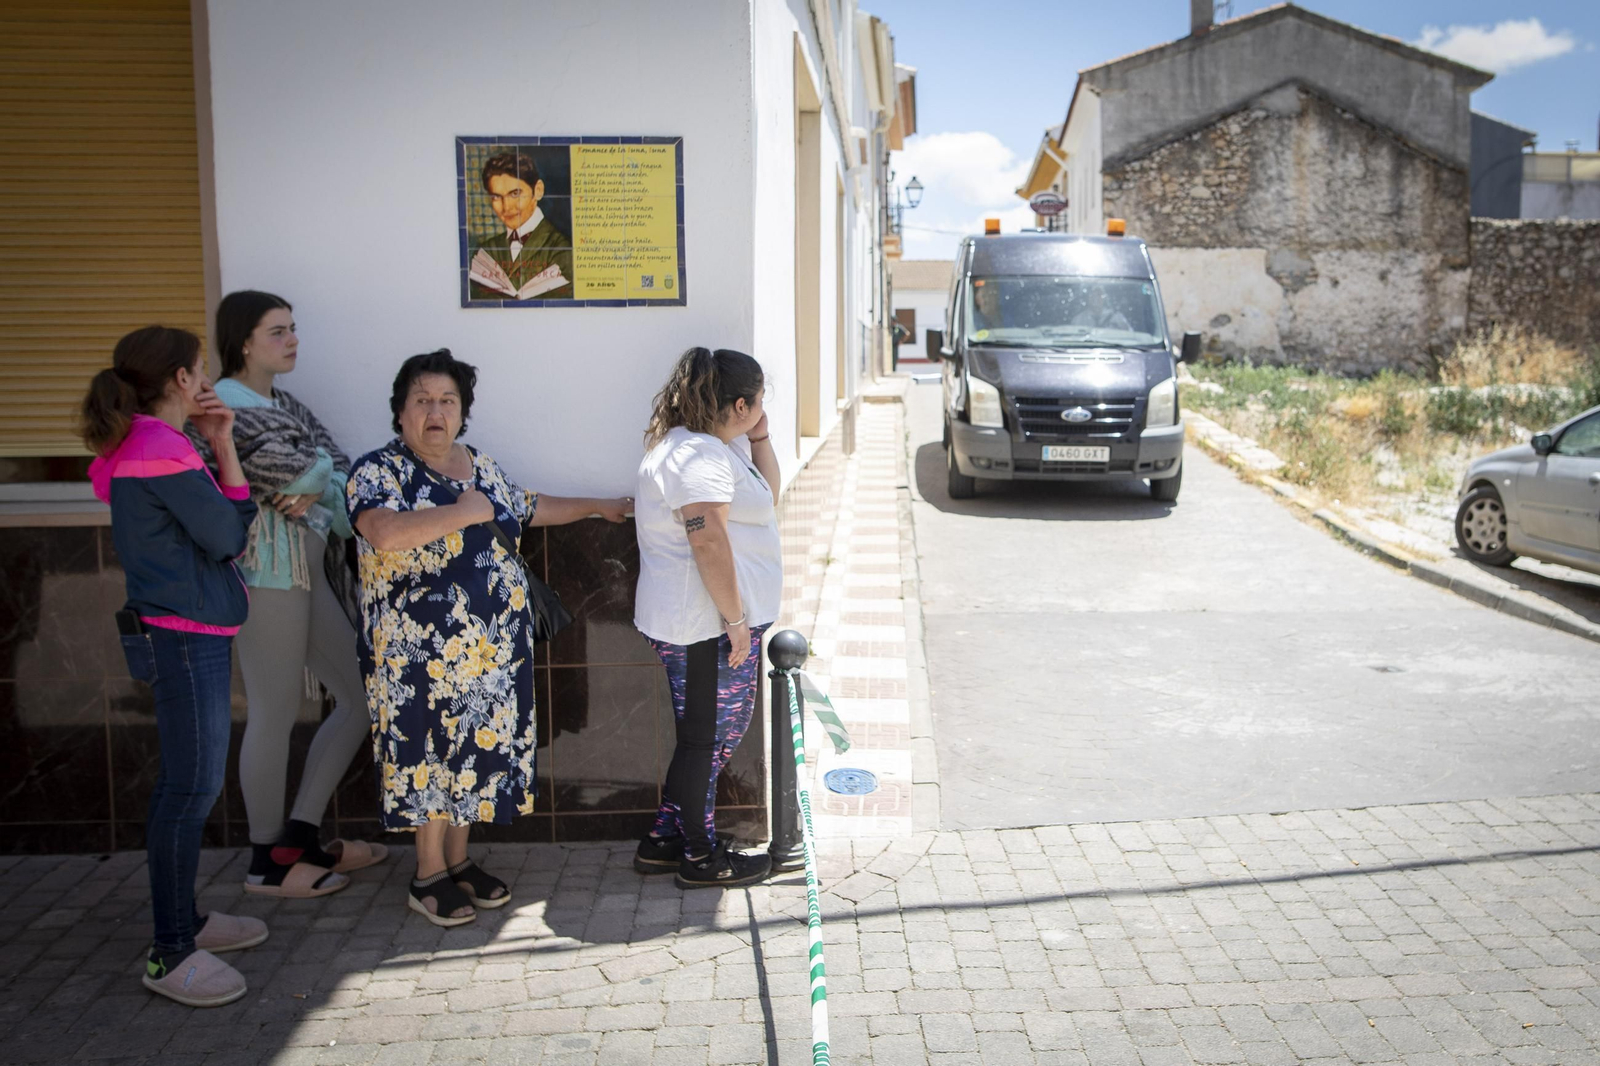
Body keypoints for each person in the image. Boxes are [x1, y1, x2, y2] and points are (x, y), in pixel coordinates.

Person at [346, 349, 630, 926]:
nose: (435, 411)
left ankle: (457, 862)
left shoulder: (480, 466)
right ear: (400, 413)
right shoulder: (378, 472)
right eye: (422, 400)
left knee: (474, 757)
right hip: (416, 660)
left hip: (490, 656)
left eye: (447, 401)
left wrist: (599, 504)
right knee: (428, 761)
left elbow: (527, 508)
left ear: (462, 412)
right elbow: (384, 532)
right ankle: (425, 875)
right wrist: (466, 511)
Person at [83, 326, 264, 1007]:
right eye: (199, 370)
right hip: (186, 637)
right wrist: (223, 445)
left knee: (185, 788)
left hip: (176, 631)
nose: (205, 380)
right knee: (189, 791)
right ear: (183, 381)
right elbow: (228, 534)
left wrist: (212, 445)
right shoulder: (163, 449)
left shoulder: (139, 445)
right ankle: (169, 952)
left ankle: (185, 924)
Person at [192, 290, 385, 899]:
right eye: (278, 331)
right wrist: (312, 477)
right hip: (264, 574)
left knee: (361, 694)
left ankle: (297, 836)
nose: (293, 339)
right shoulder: (226, 402)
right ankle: (264, 866)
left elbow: (335, 467)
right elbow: (303, 475)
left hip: (303, 570)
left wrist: (312, 479)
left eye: (293, 328)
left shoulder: (284, 404)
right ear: (243, 341)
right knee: (274, 711)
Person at [632, 347, 781, 889]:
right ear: (740, 403)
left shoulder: (719, 448)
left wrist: (759, 437)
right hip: (702, 626)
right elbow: (709, 542)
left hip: (712, 624)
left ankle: (666, 839)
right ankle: (699, 856)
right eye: (759, 401)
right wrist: (735, 619)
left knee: (715, 735)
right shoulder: (694, 456)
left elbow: (767, 500)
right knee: (704, 740)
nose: (764, 408)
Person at [468, 151, 574, 300]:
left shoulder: (563, 248)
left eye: (515, 194)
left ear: (537, 191)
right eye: (496, 197)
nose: (506, 207)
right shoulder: (485, 252)